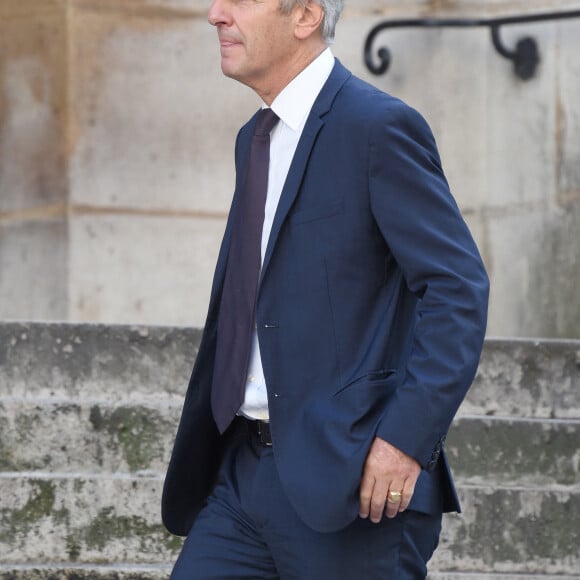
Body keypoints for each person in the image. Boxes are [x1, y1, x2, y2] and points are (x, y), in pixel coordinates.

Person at [162, 0, 489, 577]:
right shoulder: (254, 139)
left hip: (351, 483)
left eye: (239, 0)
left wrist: (406, 440)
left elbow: (457, 288)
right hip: (242, 476)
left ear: (306, 15)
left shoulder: (378, 127)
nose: (216, 14)